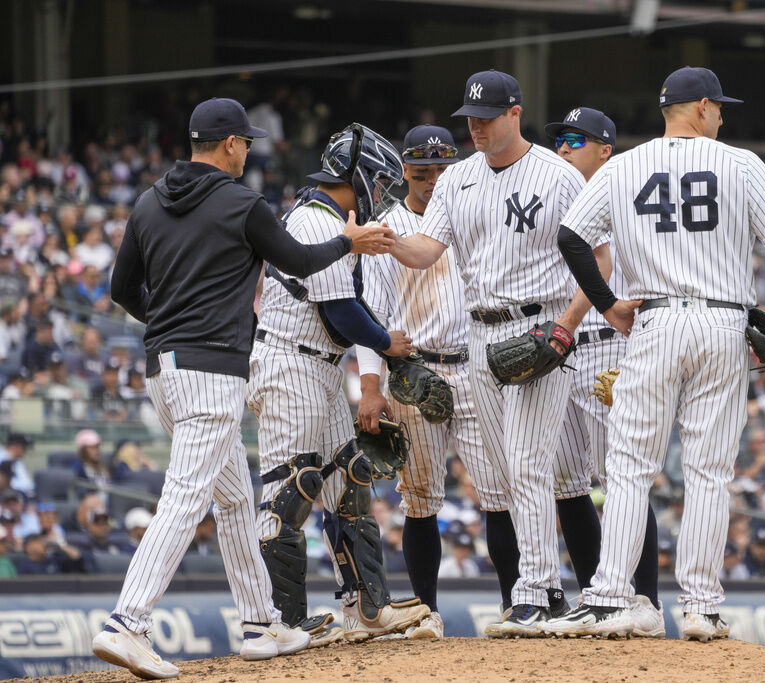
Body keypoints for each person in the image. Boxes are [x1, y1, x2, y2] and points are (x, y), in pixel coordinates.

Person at [93, 97, 391, 678]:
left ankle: (261, 623)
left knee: (233, 500)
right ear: (230, 144)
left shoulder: (149, 201)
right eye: (246, 142)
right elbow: (300, 261)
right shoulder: (241, 202)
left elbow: (122, 288)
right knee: (186, 498)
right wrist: (348, 243)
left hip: (166, 369)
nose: (249, 150)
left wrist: (169, 323)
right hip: (211, 373)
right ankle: (128, 622)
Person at [543, 66, 765, 641]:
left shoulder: (622, 164)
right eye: (719, 106)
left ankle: (607, 597)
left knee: (628, 466)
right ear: (700, 106)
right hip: (723, 324)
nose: (723, 115)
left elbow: (572, 237)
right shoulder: (741, 164)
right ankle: (700, 607)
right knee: (710, 472)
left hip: (654, 321)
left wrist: (607, 306)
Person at [386, 70, 593, 637]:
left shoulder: (559, 175)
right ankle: (546, 591)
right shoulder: (457, 181)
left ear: (515, 113)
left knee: (528, 464)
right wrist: (386, 242)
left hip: (537, 331)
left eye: (486, 116)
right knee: (505, 473)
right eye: (470, 118)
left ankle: (533, 592)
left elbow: (597, 253)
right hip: (479, 335)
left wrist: (566, 328)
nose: (474, 126)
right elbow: (427, 250)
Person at [247, 124, 428, 646]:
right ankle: (280, 621)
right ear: (357, 176)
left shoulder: (330, 218)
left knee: (348, 477)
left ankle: (367, 609)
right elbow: (342, 311)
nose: (383, 191)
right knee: (291, 489)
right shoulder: (312, 219)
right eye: (378, 179)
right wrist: (386, 344)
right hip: (289, 364)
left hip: (317, 366)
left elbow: (346, 310)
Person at [355, 124, 498, 640]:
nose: (433, 179)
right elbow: (372, 316)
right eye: (421, 171)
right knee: (420, 499)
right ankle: (427, 614)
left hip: (477, 364)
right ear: (405, 172)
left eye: (441, 169)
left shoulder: (469, 212)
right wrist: (371, 388)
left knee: (499, 492)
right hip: (416, 371)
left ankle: (515, 606)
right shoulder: (387, 226)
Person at [544, 106, 663, 636]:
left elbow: (613, 265)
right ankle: (599, 597)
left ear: (605, 149)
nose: (564, 147)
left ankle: (646, 601)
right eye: (560, 139)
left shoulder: (625, 193)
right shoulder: (552, 194)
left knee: (623, 478)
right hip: (557, 352)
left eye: (576, 139)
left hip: (607, 345)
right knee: (567, 483)